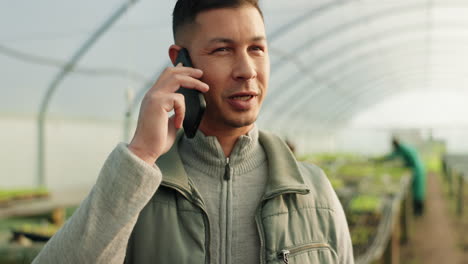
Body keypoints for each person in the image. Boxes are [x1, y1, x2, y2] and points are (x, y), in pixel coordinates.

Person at [33, 0, 354, 263]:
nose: (246, 71)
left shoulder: (314, 193)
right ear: (180, 61)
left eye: (256, 48)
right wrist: (142, 155)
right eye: (222, 50)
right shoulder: (136, 190)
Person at [383, 137, 426, 216]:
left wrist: (382, 159)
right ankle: (417, 210)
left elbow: (393, 156)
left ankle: (418, 211)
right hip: (416, 168)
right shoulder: (403, 148)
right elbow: (395, 156)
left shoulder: (403, 149)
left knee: (418, 191)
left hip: (417, 169)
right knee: (417, 190)